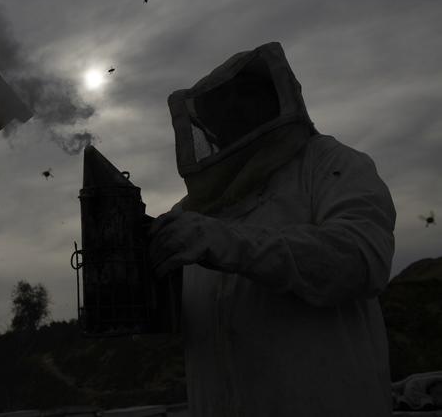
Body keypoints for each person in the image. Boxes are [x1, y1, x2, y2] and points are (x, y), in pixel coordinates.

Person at [149, 42, 395, 416]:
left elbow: (361, 258)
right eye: (220, 109)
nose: (232, 113)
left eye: (245, 97)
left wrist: (226, 242)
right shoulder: (192, 212)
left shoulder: (329, 164)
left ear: (276, 99)